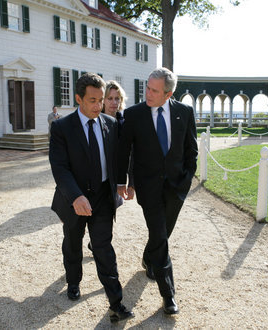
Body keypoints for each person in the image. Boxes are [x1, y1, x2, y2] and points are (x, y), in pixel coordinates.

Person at [49, 73, 133, 323]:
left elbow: (118, 157)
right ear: (78, 98)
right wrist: (75, 196)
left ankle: (116, 303)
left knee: (103, 248)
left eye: (101, 100)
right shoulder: (62, 127)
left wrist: (121, 182)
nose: (99, 106)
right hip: (73, 199)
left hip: (103, 199)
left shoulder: (111, 123)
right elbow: (59, 167)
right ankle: (73, 281)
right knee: (73, 243)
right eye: (93, 100)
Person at [117, 68, 198, 315]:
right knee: (161, 237)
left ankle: (147, 257)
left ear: (168, 93)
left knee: (162, 233)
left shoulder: (184, 113)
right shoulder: (133, 115)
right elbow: (124, 152)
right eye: (147, 88)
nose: (148, 93)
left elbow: (191, 151)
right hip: (148, 188)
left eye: (154, 90)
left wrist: (186, 180)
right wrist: (124, 182)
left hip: (177, 187)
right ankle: (168, 295)